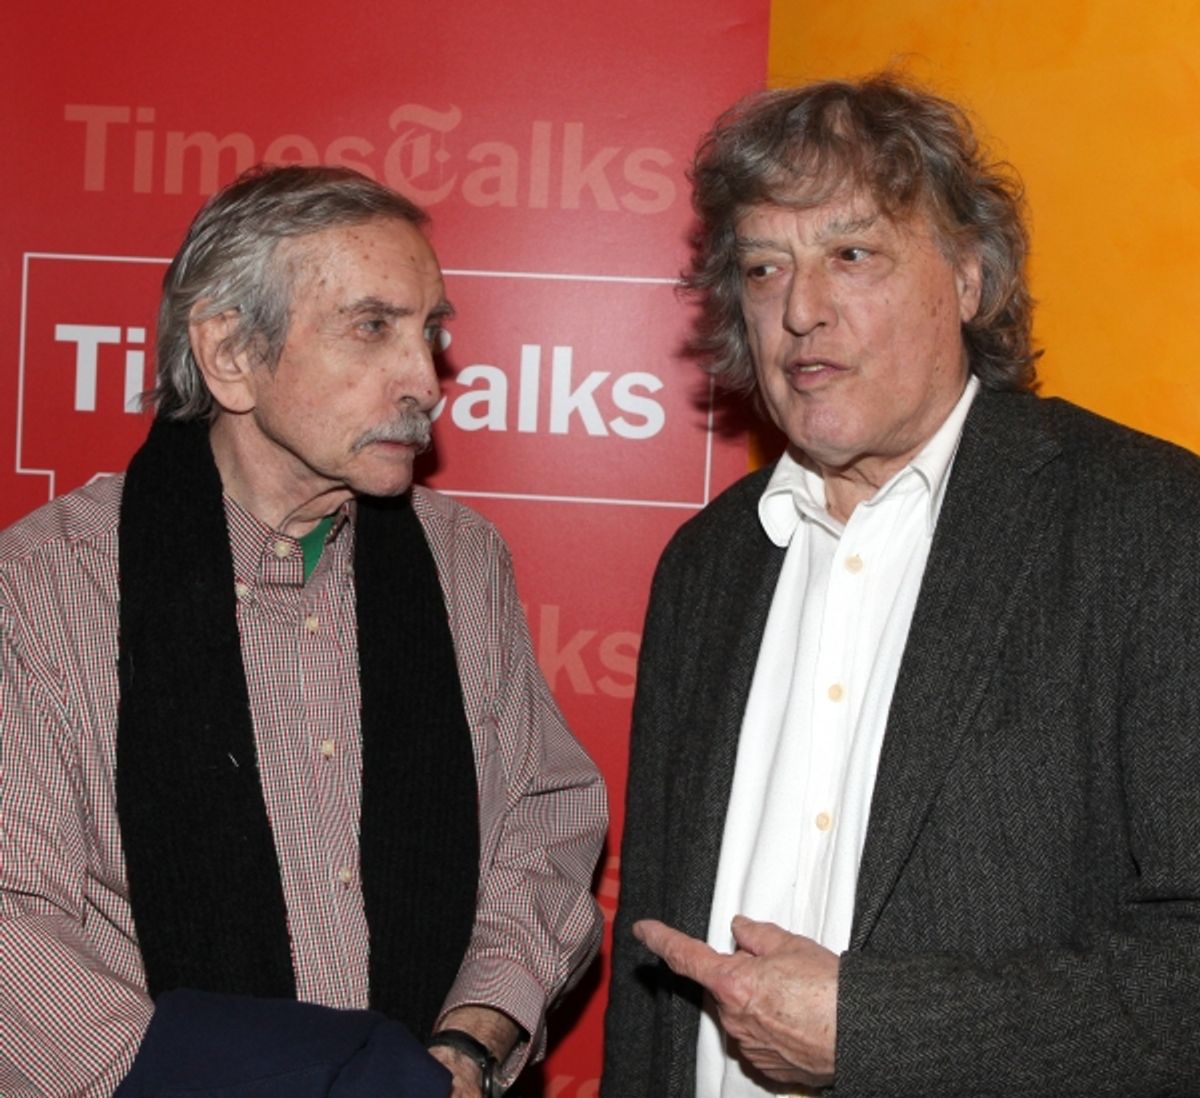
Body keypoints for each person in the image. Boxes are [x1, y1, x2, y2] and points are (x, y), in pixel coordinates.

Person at [602, 74, 1200, 1097]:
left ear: (970, 278)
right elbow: (651, 983)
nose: (800, 310)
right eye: (762, 266)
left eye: (852, 254)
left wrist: (876, 1030)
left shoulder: (1145, 526)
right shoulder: (704, 569)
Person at [0, 164, 607, 1098]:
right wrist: (292, 1081)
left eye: (431, 332)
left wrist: (468, 1044)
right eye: (372, 328)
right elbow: (14, 924)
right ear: (231, 353)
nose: (427, 381)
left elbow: (546, 820)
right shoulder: (47, 583)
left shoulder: (460, 560)